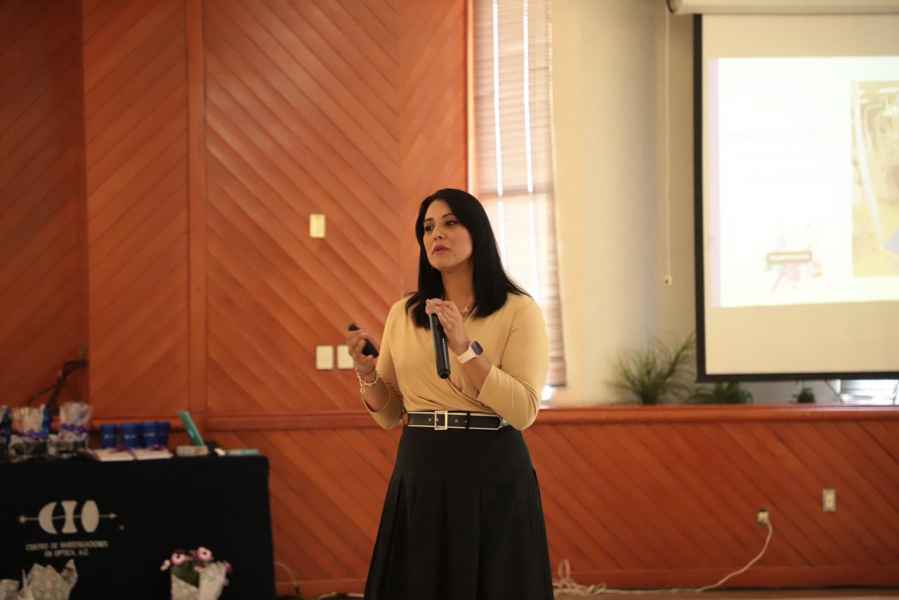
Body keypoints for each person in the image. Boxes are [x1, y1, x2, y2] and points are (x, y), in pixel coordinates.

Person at [345, 188, 554, 599]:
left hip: (492, 466)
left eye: (450, 223)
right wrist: (366, 374)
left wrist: (464, 348)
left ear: (478, 232)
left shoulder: (518, 310)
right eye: (427, 228)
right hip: (422, 465)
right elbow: (390, 414)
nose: (436, 234)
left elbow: (524, 410)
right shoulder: (404, 314)